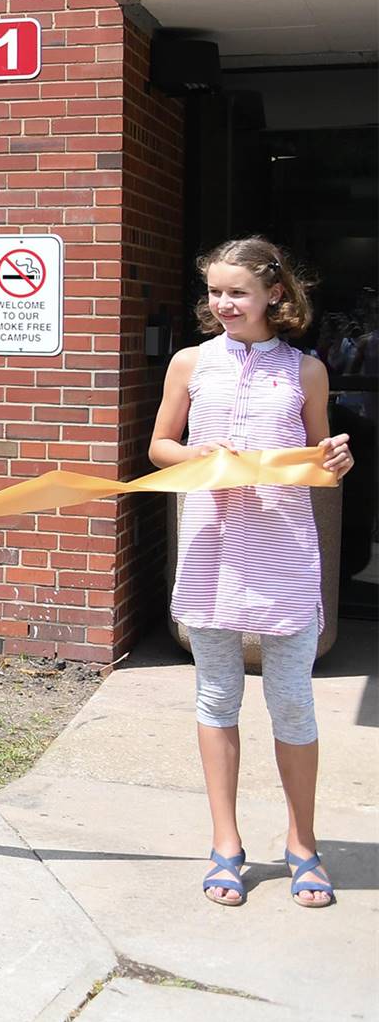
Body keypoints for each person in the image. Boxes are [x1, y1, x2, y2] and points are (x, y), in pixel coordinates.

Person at [150, 236, 354, 907]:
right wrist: (192, 452)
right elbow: (159, 447)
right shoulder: (190, 363)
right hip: (212, 547)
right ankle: (226, 845)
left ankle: (303, 845)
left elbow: (318, 463)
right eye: (215, 292)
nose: (223, 303)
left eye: (237, 291)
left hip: (284, 552)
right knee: (216, 697)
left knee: (292, 700)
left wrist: (335, 461)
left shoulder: (306, 371)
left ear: (275, 293)